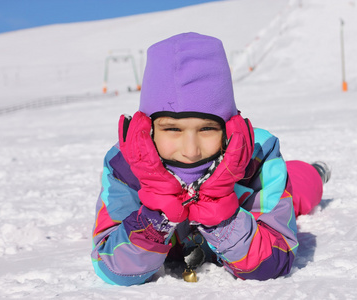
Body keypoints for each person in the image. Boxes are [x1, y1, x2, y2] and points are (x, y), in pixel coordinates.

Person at [91, 32, 331, 286]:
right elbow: (112, 266)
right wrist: (154, 217)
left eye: (207, 129)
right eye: (172, 129)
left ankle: (316, 172)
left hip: (262, 195)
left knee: (302, 185)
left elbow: (275, 260)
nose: (191, 150)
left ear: (227, 128)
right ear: (150, 129)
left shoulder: (258, 157)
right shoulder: (126, 164)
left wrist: (222, 215)